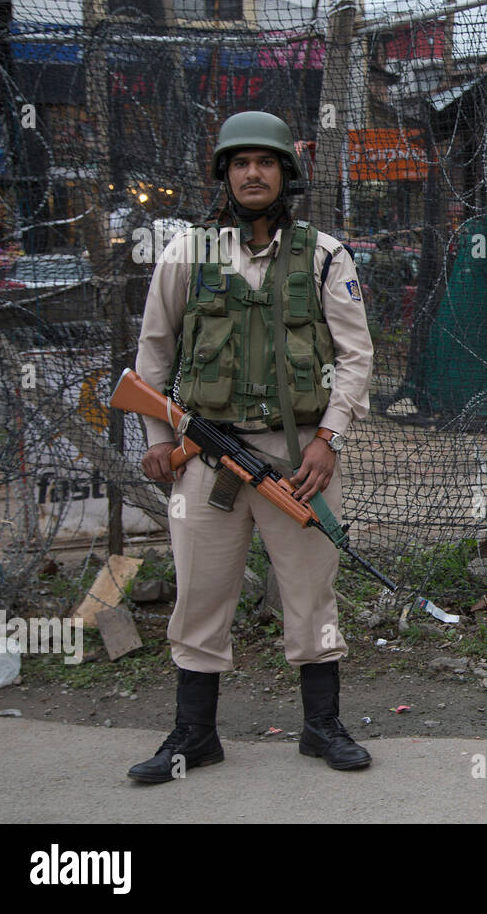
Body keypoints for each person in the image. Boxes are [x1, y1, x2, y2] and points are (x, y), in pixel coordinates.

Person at [128, 111, 375, 781]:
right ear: (225, 175)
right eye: (240, 163)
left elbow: (356, 358)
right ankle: (193, 735)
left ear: (285, 175)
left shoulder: (323, 254)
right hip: (205, 457)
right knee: (201, 594)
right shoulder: (191, 251)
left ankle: (322, 727)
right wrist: (157, 440)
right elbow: (153, 354)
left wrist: (329, 440)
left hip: (299, 462)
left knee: (311, 592)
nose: (253, 173)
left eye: (265, 162)